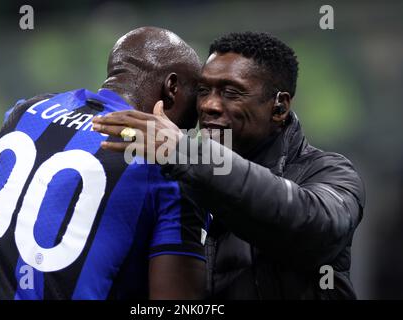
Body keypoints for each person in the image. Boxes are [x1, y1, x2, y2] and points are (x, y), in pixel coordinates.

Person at [91, 31, 366, 299]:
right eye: (202, 90)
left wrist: (186, 153)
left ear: (279, 107)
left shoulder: (330, 171)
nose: (209, 105)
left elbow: (317, 229)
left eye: (231, 93)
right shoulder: (178, 175)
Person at [0, 26, 208, 300]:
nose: (202, 110)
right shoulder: (169, 168)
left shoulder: (23, 113)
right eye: (198, 93)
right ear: (172, 88)